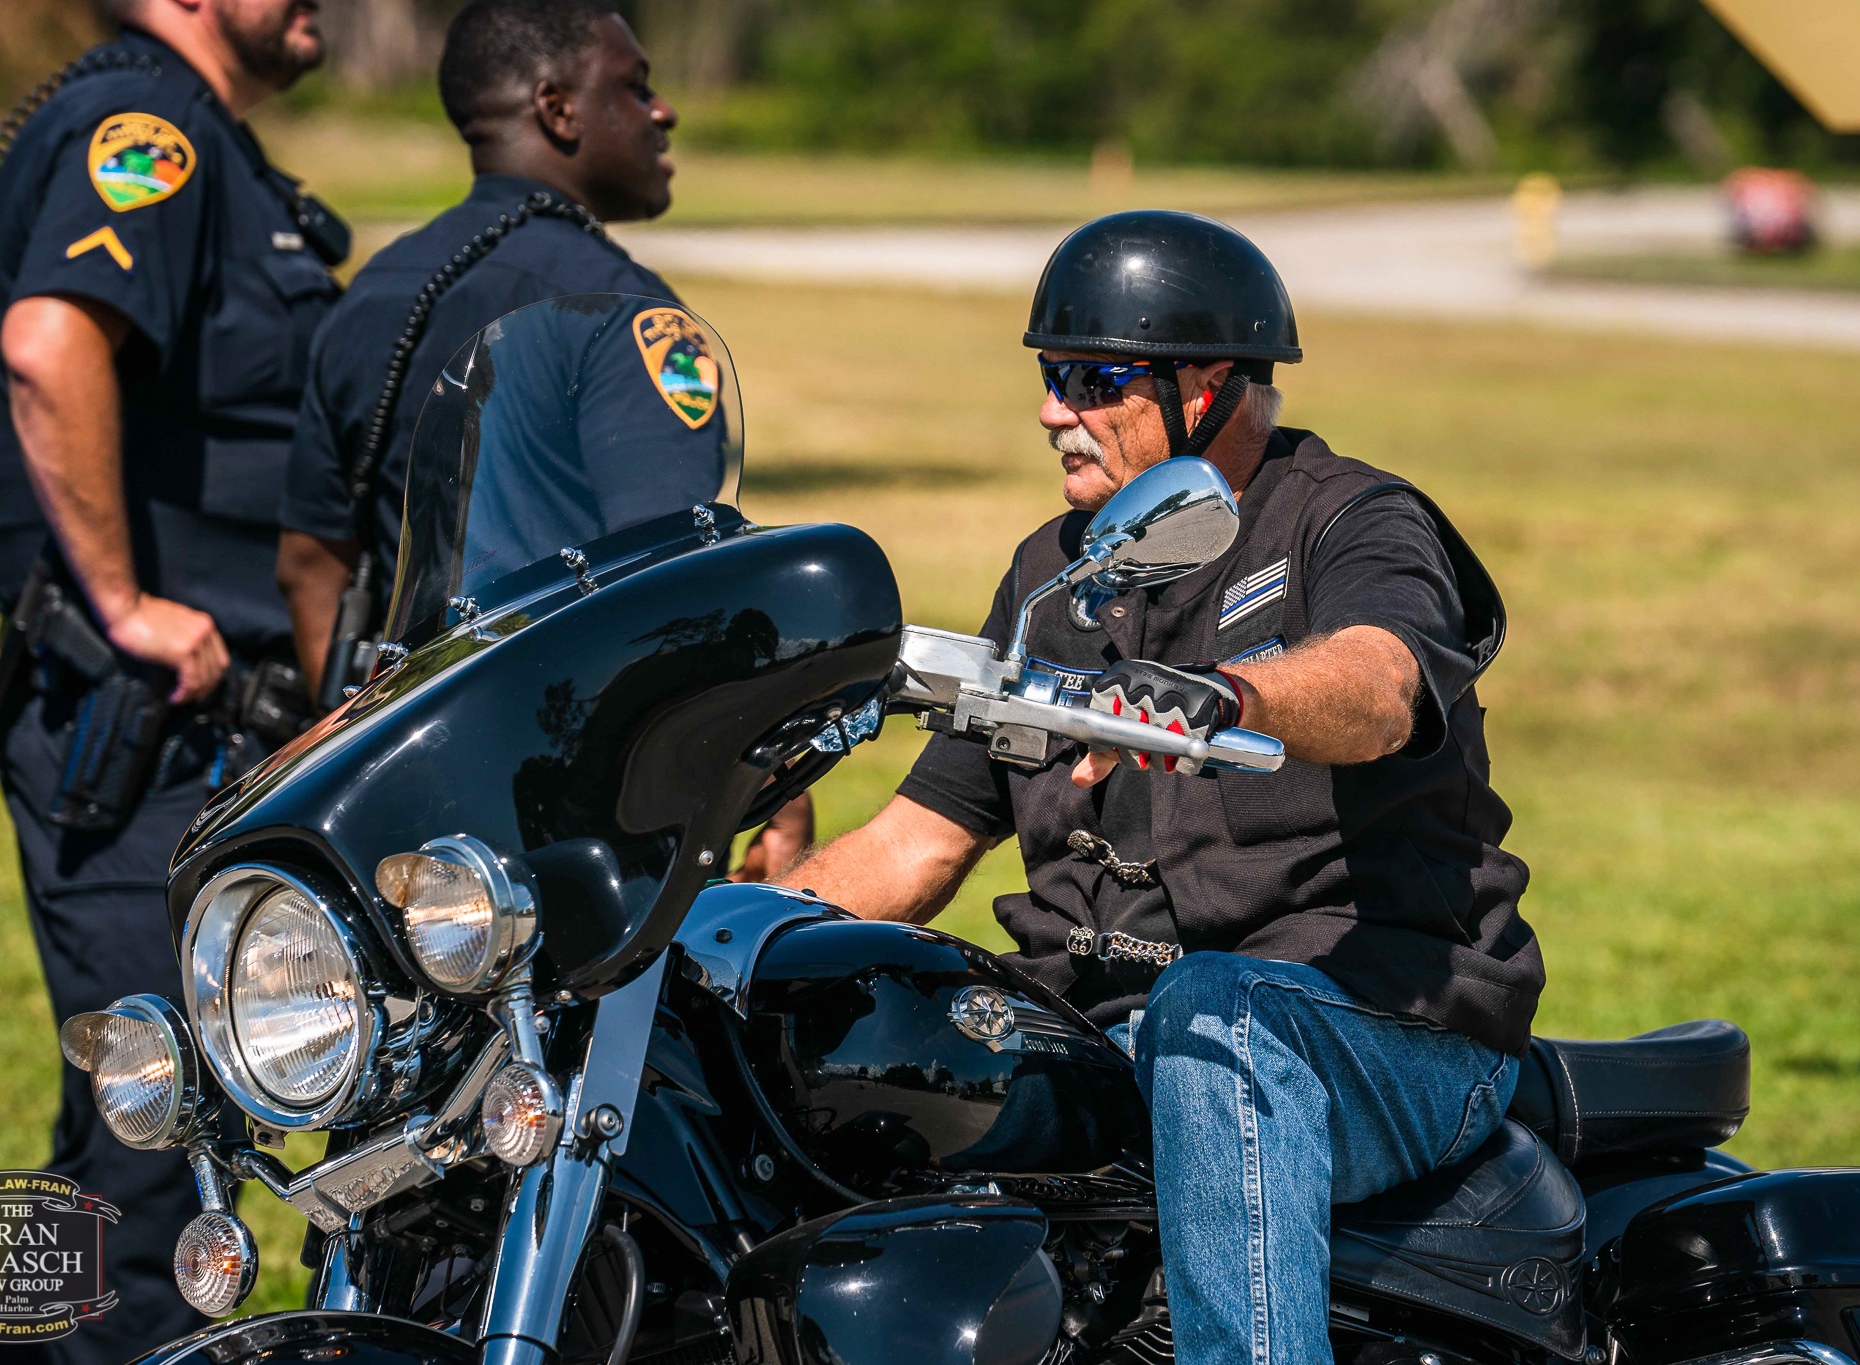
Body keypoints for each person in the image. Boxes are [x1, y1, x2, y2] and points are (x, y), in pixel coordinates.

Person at [780, 210, 1544, 1365]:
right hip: (1099, 1022)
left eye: (1093, 379)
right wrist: (721, 945)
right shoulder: (1060, 570)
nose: (1052, 410)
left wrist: (1224, 699)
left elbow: (1380, 684)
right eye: (1048, 374)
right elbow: (916, 843)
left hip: (1383, 1022)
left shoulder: (1349, 519)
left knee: (1215, 1016)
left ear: (1212, 384)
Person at [0, 0, 337, 1357]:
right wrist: (124, 604)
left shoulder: (207, 142)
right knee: (159, 1140)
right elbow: (47, 342)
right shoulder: (153, 129)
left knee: (127, 1125)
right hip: (138, 736)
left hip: (189, 741)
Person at [276, 0, 809, 872]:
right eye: (635, 89)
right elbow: (677, 586)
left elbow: (309, 564)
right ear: (557, 109)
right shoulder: (629, 313)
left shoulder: (375, 288)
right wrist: (766, 778)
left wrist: (366, 758)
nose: (662, 111)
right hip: (565, 831)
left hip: (392, 806)